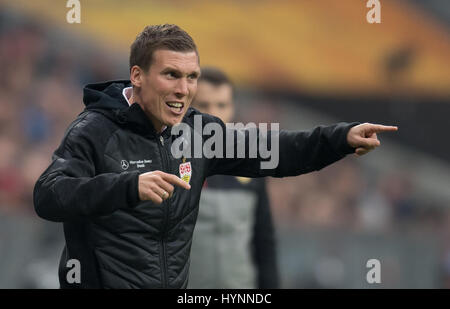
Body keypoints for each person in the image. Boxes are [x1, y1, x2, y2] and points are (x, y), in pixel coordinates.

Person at [33, 24, 398, 289]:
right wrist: (127, 186)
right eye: (171, 75)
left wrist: (341, 139)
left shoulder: (200, 133)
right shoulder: (94, 131)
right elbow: (49, 195)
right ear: (137, 76)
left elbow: (276, 150)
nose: (184, 89)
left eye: (192, 77)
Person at [188, 67, 278, 289]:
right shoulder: (169, 161)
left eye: (221, 105)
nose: (213, 114)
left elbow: (263, 241)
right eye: (204, 105)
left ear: (232, 108)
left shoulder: (251, 163)